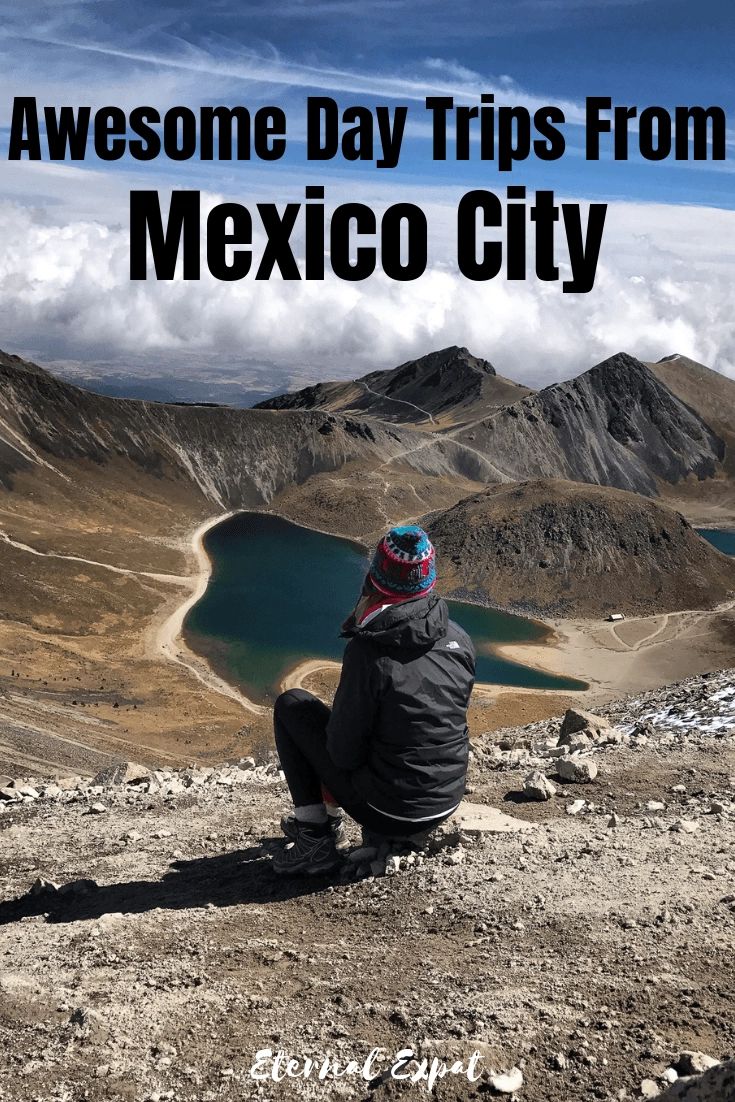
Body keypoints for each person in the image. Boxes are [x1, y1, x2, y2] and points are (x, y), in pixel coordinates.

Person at [271, 525, 476, 875]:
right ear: (429, 581)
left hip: (392, 810)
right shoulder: (458, 638)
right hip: (445, 801)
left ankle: (315, 837)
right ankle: (345, 824)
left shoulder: (370, 652)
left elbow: (342, 753)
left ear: (376, 578)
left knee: (293, 705)